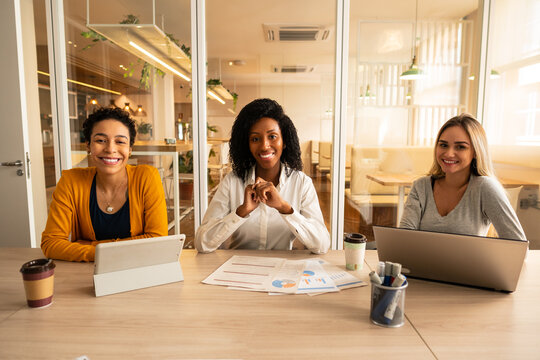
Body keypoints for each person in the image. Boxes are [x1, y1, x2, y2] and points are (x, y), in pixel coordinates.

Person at [195, 98, 330, 253]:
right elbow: (202, 243)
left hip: (281, 270)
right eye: (255, 139)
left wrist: (285, 208)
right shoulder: (232, 181)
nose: (264, 146)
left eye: (272, 136)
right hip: (238, 269)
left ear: (284, 141)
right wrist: (241, 211)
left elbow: (322, 245)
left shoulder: (301, 183)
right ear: (247, 145)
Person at [41, 107, 168, 262]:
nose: (110, 149)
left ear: (130, 149)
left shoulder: (147, 177)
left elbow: (157, 240)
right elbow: (51, 244)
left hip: (138, 268)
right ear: (88, 145)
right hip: (85, 274)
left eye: (120, 142)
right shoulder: (71, 181)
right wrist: (104, 252)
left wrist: (90, 245)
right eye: (100, 140)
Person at [399, 113, 526, 240]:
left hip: (470, 261)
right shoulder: (421, 187)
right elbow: (403, 240)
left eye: (460, 147)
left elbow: (518, 245)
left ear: (476, 152)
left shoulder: (485, 187)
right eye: (443, 145)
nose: (449, 154)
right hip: (421, 260)